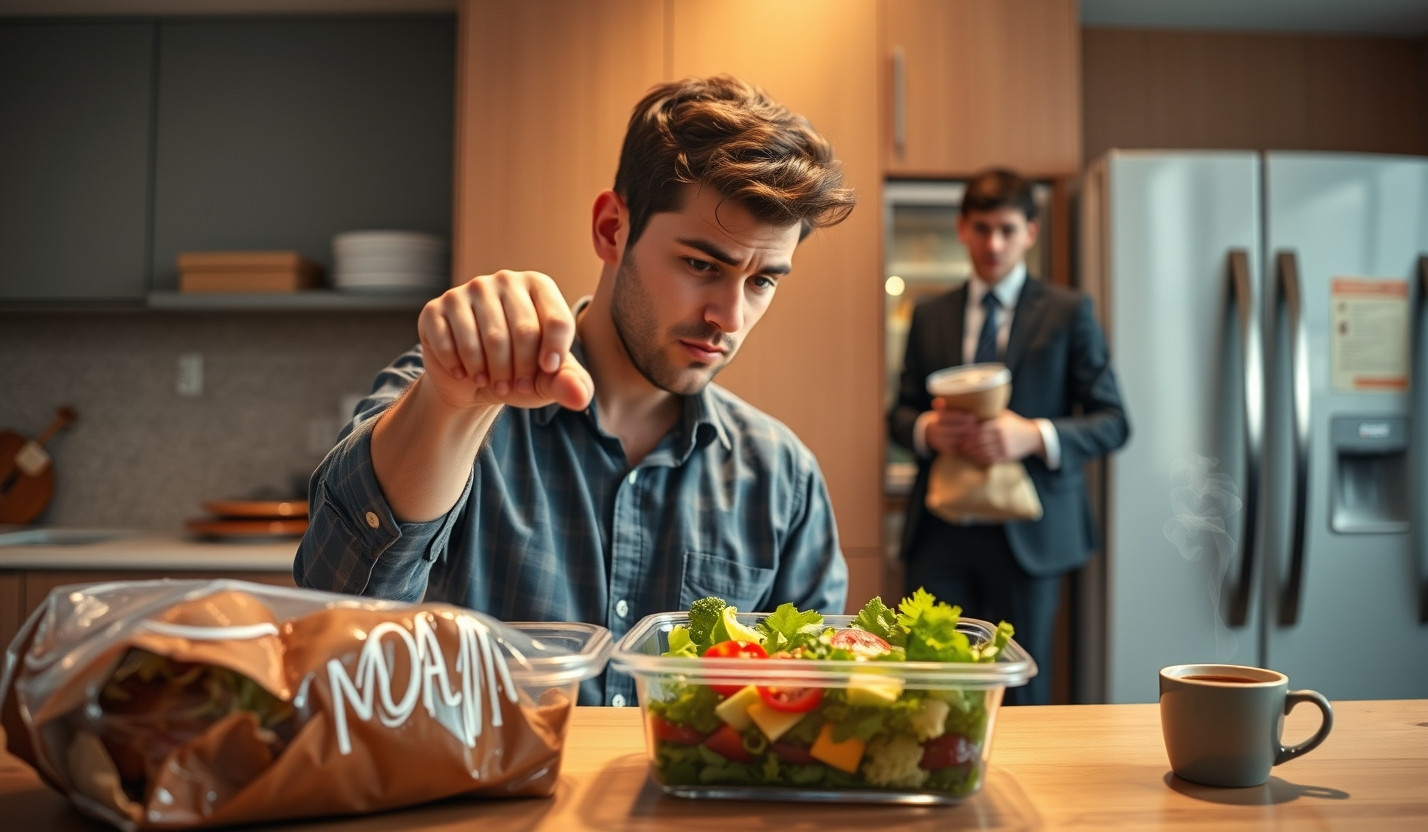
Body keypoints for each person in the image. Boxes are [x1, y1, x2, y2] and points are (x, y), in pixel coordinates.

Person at [295, 76, 856, 707]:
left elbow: (812, 706)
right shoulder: (460, 393)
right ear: (612, 228)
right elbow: (336, 619)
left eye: (762, 283)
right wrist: (450, 406)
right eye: (702, 265)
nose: (729, 315)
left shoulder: (781, 477)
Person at [886, 168, 1128, 705]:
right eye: (981, 228)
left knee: (1019, 688)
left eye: (1006, 229)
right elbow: (899, 415)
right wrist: (927, 429)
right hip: (940, 531)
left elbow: (1113, 422)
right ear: (962, 229)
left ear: (1030, 233)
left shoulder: (1068, 312)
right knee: (929, 680)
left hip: (1030, 536)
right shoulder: (930, 315)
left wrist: (1034, 435)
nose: (993, 244)